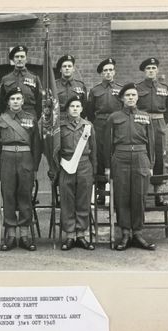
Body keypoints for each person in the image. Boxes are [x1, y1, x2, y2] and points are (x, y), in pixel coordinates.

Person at [104, 83, 156, 251]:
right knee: (122, 197)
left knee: (139, 197)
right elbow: (107, 144)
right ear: (122, 98)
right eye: (127, 95)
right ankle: (125, 233)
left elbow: (152, 143)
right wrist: (107, 167)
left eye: (133, 95)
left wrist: (151, 164)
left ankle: (138, 233)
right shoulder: (114, 117)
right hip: (120, 158)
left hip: (141, 158)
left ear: (137, 97)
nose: (131, 98)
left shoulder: (145, 117)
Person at [0, 87, 42, 251]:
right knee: (8, 196)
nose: (15, 101)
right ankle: (11, 234)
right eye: (12, 99)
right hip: (6, 160)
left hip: (25, 160)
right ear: (8, 102)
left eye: (18, 99)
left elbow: (36, 145)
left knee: (25, 196)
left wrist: (34, 168)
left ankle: (24, 235)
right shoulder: (1, 120)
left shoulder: (31, 118)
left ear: (23, 101)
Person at [58, 96, 97, 251]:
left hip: (84, 164)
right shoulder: (60, 126)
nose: (75, 108)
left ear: (82, 109)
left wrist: (93, 170)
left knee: (83, 200)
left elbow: (94, 151)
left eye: (78, 106)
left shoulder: (88, 126)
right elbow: (56, 149)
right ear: (67, 109)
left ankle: (81, 234)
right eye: (72, 106)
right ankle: (69, 236)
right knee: (67, 200)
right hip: (66, 165)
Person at [136, 57, 168, 206]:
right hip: (142, 124)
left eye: (153, 68)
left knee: (159, 159)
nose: (151, 71)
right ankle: (141, 195)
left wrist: (161, 124)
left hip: (158, 125)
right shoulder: (138, 88)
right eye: (148, 69)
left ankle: (159, 194)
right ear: (144, 71)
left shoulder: (164, 88)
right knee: (142, 157)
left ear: (157, 70)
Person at [87, 58, 123, 205]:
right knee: (100, 155)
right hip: (100, 125)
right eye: (105, 71)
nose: (108, 73)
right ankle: (101, 193)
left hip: (117, 124)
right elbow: (90, 111)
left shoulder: (121, 89)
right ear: (101, 74)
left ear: (114, 72)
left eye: (110, 70)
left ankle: (119, 191)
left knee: (116, 153)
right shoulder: (95, 90)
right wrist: (97, 123)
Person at [0, 45, 43, 120]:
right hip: (10, 116)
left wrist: (35, 117)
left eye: (22, 57)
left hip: (29, 115)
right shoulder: (6, 79)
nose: (19, 59)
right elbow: (1, 101)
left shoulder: (34, 78)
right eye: (17, 57)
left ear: (26, 59)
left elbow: (39, 100)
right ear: (13, 60)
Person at [55, 54, 87, 120]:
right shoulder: (54, 85)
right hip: (59, 121)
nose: (67, 68)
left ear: (73, 69)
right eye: (64, 66)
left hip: (75, 121)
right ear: (60, 70)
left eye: (69, 66)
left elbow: (85, 107)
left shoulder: (80, 85)